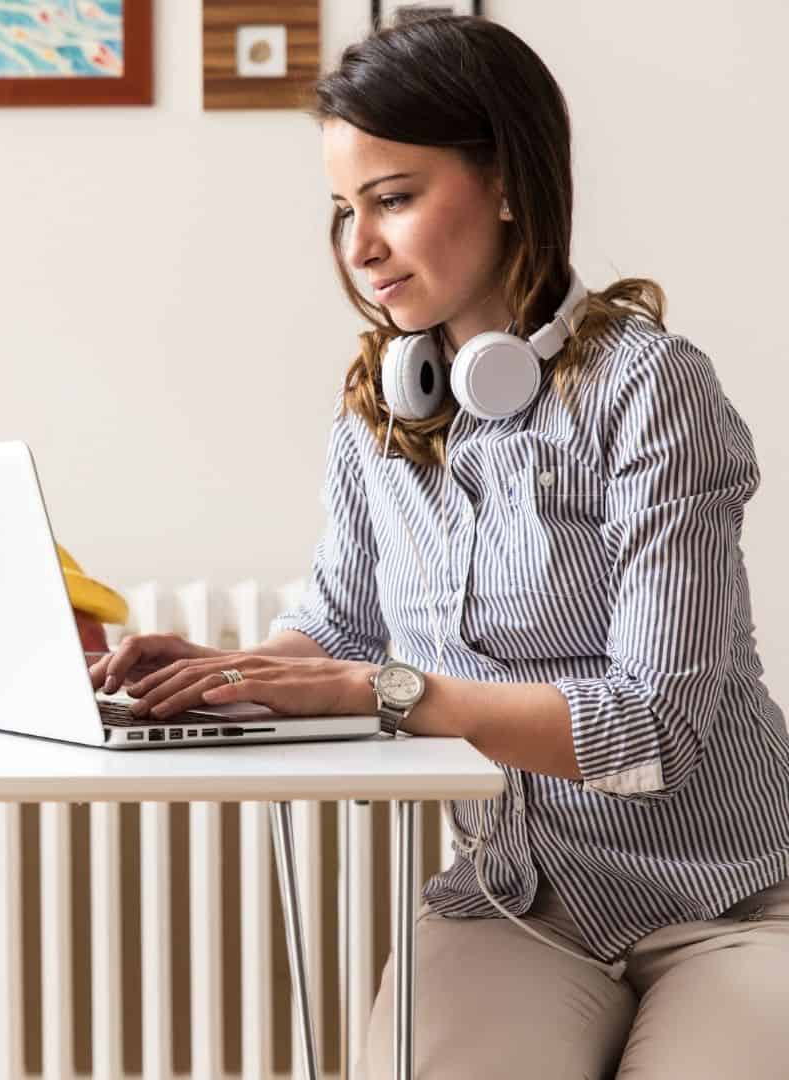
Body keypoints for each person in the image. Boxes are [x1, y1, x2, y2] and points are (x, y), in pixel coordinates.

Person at [90, 13, 789, 1078]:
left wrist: (390, 692)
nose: (359, 247)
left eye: (394, 198)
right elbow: (339, 629)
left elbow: (658, 728)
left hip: (732, 898)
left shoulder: (653, 390)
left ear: (507, 183)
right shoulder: (380, 401)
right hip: (517, 902)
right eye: (343, 210)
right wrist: (221, 670)